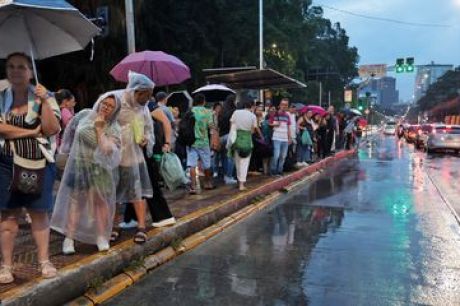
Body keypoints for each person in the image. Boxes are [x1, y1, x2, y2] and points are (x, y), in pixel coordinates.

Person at [0, 52, 61, 283]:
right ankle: (6, 266)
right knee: (7, 216)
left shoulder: (45, 96)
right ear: (7, 71)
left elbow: (51, 128)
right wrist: (31, 132)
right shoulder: (1, 97)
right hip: (6, 163)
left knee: (39, 214)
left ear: (31, 71)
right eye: (11, 66)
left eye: (22, 67)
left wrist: (45, 100)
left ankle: (44, 261)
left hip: (39, 163)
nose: (16, 71)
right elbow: (2, 129)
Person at [51, 93, 122, 254]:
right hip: (80, 164)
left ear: (115, 110)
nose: (106, 107)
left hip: (100, 169)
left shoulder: (114, 127)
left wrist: (99, 128)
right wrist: (65, 151)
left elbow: (107, 149)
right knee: (76, 202)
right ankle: (69, 238)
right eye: (105, 103)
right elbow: (69, 132)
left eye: (111, 106)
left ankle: (101, 236)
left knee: (100, 202)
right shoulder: (84, 115)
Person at [112, 71, 156, 244]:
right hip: (114, 155)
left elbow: (149, 129)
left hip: (133, 156)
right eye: (146, 95)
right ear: (137, 92)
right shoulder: (115, 100)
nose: (148, 99)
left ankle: (141, 227)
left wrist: (147, 139)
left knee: (137, 192)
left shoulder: (143, 108)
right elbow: (101, 121)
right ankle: (114, 226)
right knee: (113, 193)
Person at [228, 99, 262, 191]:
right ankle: (241, 184)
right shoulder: (252, 116)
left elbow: (232, 125)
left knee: (237, 162)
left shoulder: (236, 112)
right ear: (252, 106)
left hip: (236, 139)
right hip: (247, 140)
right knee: (244, 163)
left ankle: (239, 181)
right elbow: (253, 130)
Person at [187, 94, 216, 194]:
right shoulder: (207, 112)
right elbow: (211, 127)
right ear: (203, 101)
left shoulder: (190, 110)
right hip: (204, 141)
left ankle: (193, 186)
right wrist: (212, 140)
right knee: (206, 163)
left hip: (191, 142)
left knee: (192, 164)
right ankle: (207, 183)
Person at [269, 98, 292, 176]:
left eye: (286, 105)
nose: (284, 106)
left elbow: (288, 127)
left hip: (285, 138)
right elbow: (269, 124)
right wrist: (275, 124)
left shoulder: (287, 116)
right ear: (279, 105)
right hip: (276, 138)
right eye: (283, 104)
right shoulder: (274, 114)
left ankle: (280, 170)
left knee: (283, 156)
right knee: (276, 155)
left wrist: (289, 138)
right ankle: (273, 170)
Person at [218, 95, 237, 184]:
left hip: (220, 137)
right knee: (230, 157)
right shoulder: (234, 111)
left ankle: (225, 175)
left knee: (223, 157)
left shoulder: (221, 111)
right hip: (229, 136)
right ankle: (229, 176)